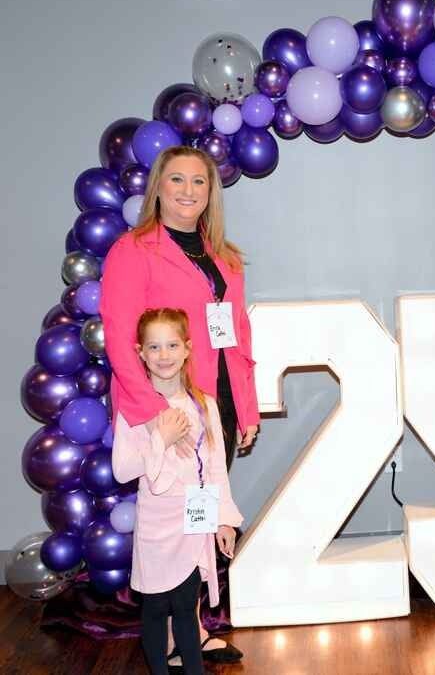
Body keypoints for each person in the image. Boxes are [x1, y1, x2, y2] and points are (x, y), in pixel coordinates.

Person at [100, 146, 258, 665]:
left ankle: (191, 625)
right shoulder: (133, 250)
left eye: (199, 181)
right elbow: (123, 339)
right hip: (163, 412)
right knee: (167, 524)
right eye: (177, 180)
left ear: (211, 191)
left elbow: (236, 335)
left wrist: (247, 408)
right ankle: (171, 633)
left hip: (216, 405)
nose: (188, 191)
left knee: (201, 512)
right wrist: (155, 415)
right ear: (159, 188)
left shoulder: (224, 256)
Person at [112, 308, 243, 675]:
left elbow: (215, 468)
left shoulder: (205, 405)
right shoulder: (132, 411)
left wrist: (223, 521)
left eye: (172, 345)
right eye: (154, 347)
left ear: (188, 349)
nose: (164, 355)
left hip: (193, 522)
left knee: (187, 607)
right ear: (140, 352)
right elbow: (122, 470)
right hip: (156, 524)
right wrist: (160, 438)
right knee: (155, 608)